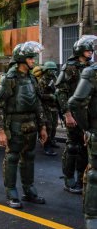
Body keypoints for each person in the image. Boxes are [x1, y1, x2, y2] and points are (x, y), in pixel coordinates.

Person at [0, 41, 48, 208]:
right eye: (31, 58)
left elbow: (37, 103)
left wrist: (42, 126)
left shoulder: (32, 78)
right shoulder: (9, 79)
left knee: (29, 158)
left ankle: (29, 190)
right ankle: (11, 192)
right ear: (21, 59)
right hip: (15, 125)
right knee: (12, 158)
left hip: (31, 124)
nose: (34, 61)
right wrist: (1, 130)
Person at [56, 36, 94, 194]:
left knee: (86, 148)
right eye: (87, 50)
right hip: (74, 112)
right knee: (72, 147)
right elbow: (61, 91)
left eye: (91, 50)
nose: (90, 52)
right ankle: (69, 179)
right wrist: (67, 114)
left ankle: (81, 179)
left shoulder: (91, 67)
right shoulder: (69, 67)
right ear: (79, 51)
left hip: (88, 114)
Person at [68, 37, 97, 228]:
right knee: (93, 173)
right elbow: (71, 99)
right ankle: (91, 216)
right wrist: (87, 127)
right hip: (91, 123)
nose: (90, 53)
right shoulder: (87, 71)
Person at [37, 61, 59, 156]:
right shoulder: (42, 81)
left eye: (54, 69)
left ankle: (52, 140)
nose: (53, 71)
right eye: (51, 70)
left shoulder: (55, 78)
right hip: (46, 107)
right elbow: (39, 95)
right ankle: (46, 145)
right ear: (46, 70)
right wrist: (50, 96)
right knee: (48, 126)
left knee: (54, 125)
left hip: (54, 106)